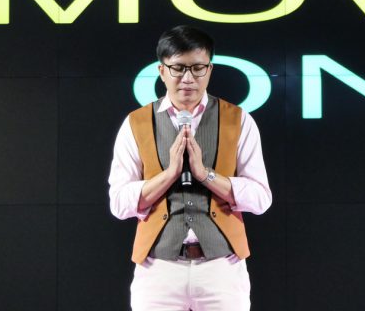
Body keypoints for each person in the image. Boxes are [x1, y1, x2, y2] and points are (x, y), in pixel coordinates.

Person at [108, 25, 272, 311]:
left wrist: (205, 175)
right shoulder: (136, 122)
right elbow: (119, 203)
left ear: (210, 70)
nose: (188, 78)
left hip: (222, 266)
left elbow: (260, 198)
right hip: (158, 267)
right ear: (162, 71)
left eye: (198, 68)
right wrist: (169, 174)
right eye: (178, 68)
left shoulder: (238, 120)